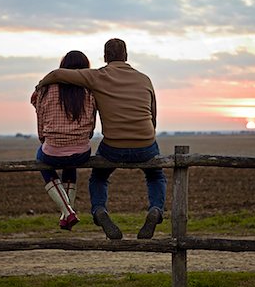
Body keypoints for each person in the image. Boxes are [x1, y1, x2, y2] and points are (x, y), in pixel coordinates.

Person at [36, 39, 167, 239]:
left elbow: (57, 74)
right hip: (145, 144)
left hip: (113, 146)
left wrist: (41, 84)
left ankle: (99, 211)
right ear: (126, 56)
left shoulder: (98, 76)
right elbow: (154, 116)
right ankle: (155, 210)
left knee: (99, 177)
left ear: (105, 57)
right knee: (155, 175)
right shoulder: (145, 79)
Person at [31, 50, 96, 231]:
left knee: (40, 158)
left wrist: (48, 139)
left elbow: (40, 127)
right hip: (81, 152)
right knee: (71, 163)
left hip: (52, 151)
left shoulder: (46, 90)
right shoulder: (89, 91)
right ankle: (67, 214)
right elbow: (91, 128)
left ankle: (67, 212)